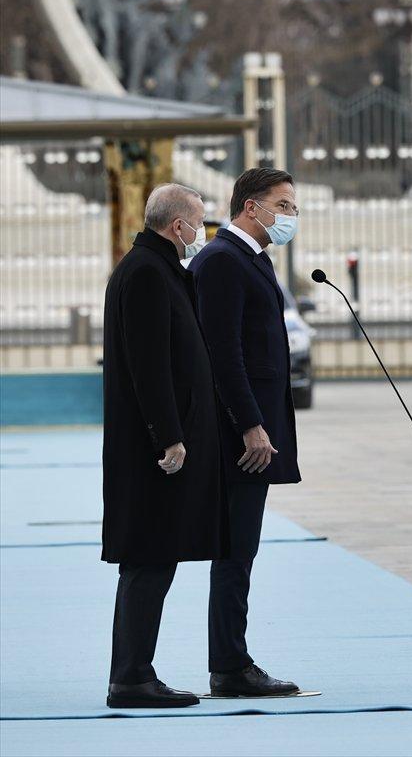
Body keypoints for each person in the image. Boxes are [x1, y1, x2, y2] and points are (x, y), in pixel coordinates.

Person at [102, 183, 225, 708]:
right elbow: (149, 366)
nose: (201, 232)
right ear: (178, 227)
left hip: (155, 444)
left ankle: (135, 671)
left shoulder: (153, 268)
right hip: (153, 451)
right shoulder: (149, 273)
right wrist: (170, 437)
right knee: (149, 560)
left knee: (154, 560)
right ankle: (131, 677)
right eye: (197, 222)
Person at [189, 168, 301, 697]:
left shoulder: (249, 258)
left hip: (255, 428)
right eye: (283, 205)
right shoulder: (223, 261)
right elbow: (223, 352)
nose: (290, 216)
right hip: (240, 435)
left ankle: (231, 659)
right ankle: (230, 666)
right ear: (251, 207)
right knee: (235, 551)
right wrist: (251, 424)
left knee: (242, 549)